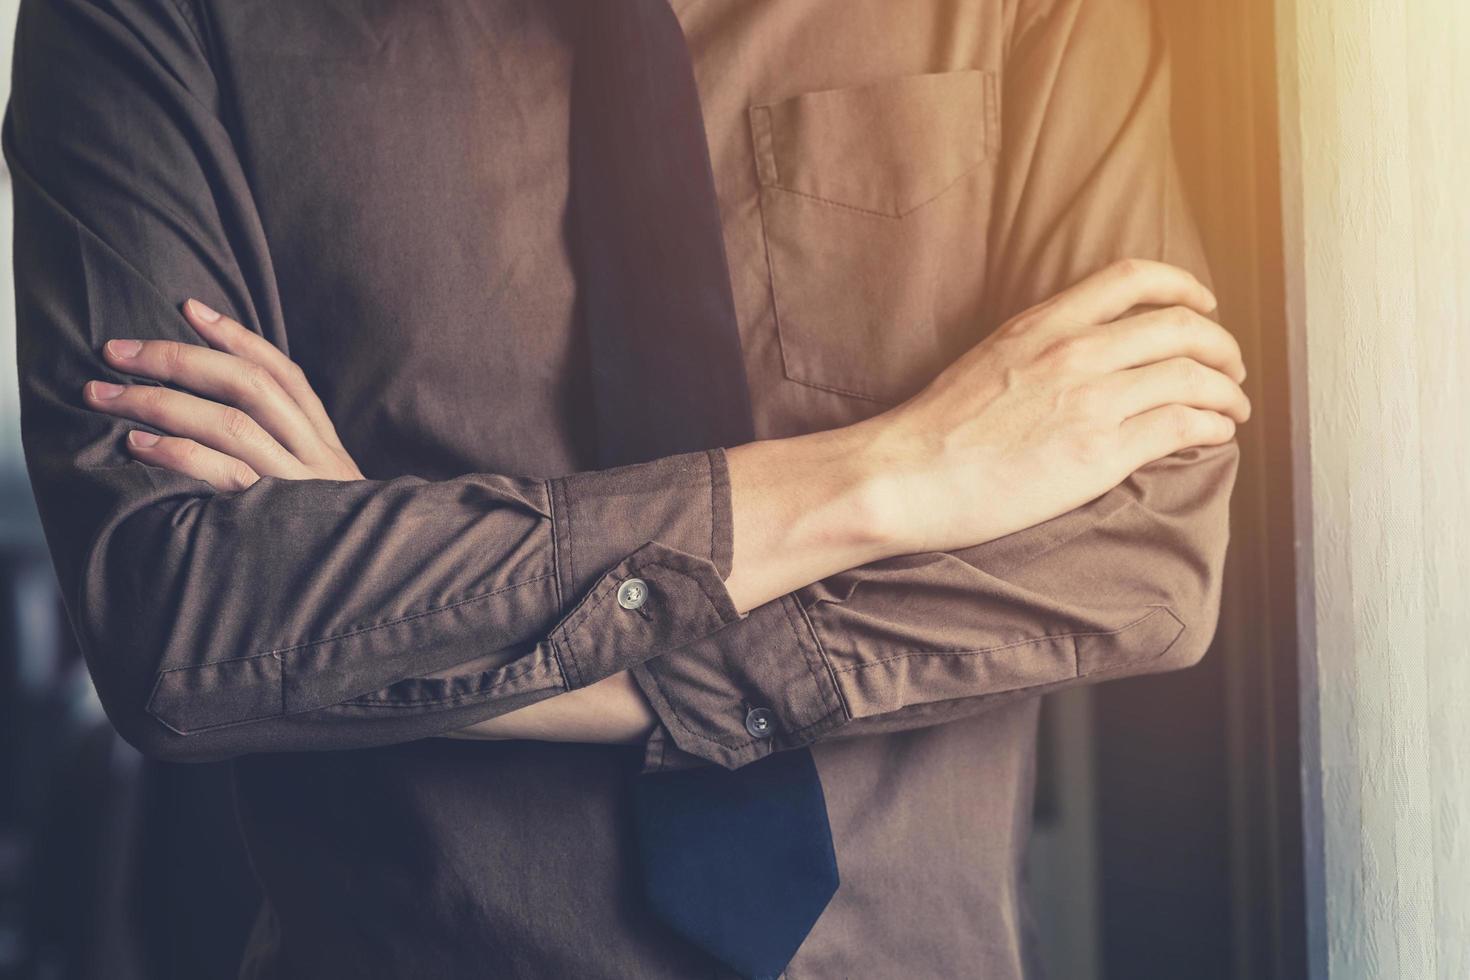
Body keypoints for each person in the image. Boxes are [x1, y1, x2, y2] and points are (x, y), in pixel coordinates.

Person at [6, 0, 1249, 977]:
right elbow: (185, 625)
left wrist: (392, 632)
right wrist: (897, 471)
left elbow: (1144, 562)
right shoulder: (154, 19)